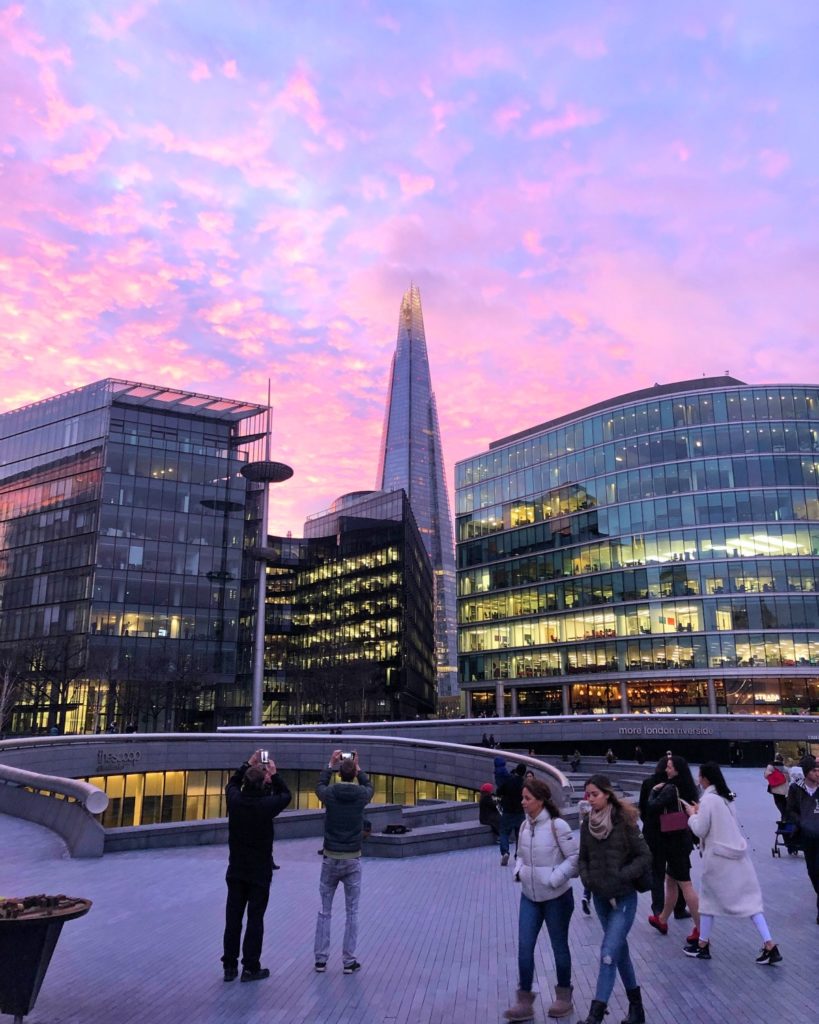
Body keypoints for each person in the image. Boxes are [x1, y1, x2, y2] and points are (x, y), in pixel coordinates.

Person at [681, 761, 782, 964]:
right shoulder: (726, 798)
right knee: (752, 903)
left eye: (700, 776)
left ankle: (703, 945)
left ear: (706, 778)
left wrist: (692, 816)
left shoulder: (709, 800)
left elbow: (701, 829)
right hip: (738, 858)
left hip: (717, 861)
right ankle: (769, 944)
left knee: (709, 902)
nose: (698, 780)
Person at [577, 774, 652, 1024]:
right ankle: (637, 1009)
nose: (590, 799)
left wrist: (623, 875)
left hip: (624, 898)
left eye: (594, 794)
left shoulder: (625, 820)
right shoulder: (587, 823)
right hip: (600, 897)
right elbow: (583, 858)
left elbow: (644, 856)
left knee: (608, 951)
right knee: (619, 950)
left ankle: (595, 1016)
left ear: (607, 794)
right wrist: (588, 880)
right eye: (587, 795)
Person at [504, 778, 579, 1021]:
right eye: (522, 798)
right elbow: (521, 855)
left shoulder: (558, 826)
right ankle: (524, 1001)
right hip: (529, 897)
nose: (523, 802)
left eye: (527, 798)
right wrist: (519, 872)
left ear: (541, 800)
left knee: (559, 947)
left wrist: (554, 878)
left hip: (556, 897)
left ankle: (564, 996)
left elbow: (574, 860)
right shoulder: (525, 827)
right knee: (524, 948)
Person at [222, 750, 291, 982]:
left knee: (233, 919)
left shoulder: (235, 801)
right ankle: (250, 966)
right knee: (255, 919)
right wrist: (275, 773)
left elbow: (230, 784)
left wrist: (247, 764)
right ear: (264, 784)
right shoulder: (266, 805)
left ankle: (229, 966)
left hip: (236, 870)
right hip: (259, 873)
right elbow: (286, 795)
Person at [314, 749, 373, 974]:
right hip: (352, 858)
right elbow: (370, 787)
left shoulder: (329, 794)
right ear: (353, 772)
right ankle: (349, 961)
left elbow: (319, 786)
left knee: (324, 911)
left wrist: (329, 764)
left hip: (330, 857)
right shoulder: (361, 795)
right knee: (352, 912)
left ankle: (320, 959)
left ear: (339, 773)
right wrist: (359, 769)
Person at [646, 754, 701, 941]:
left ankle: (701, 928)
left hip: (675, 842)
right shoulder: (687, 786)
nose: (666, 770)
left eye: (669, 767)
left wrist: (654, 791)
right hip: (681, 839)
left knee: (685, 884)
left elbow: (652, 806)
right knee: (670, 880)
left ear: (677, 769)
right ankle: (662, 919)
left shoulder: (670, 788)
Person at [638, 758, 690, 922]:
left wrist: (651, 824)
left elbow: (643, 809)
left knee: (657, 874)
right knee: (680, 873)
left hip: (654, 836)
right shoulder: (677, 785)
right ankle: (679, 908)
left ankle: (658, 909)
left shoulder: (649, 784)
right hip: (675, 835)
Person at [785, 753, 819, 926]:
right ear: (806, 772)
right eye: (814, 770)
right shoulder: (796, 788)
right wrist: (801, 822)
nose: (818, 773)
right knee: (812, 871)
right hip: (806, 835)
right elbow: (790, 810)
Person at [497, 763, 526, 867]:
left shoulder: (509, 780)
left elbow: (498, 791)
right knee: (520, 835)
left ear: (516, 770)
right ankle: (518, 855)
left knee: (504, 832)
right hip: (520, 811)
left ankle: (505, 852)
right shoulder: (524, 783)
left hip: (508, 811)